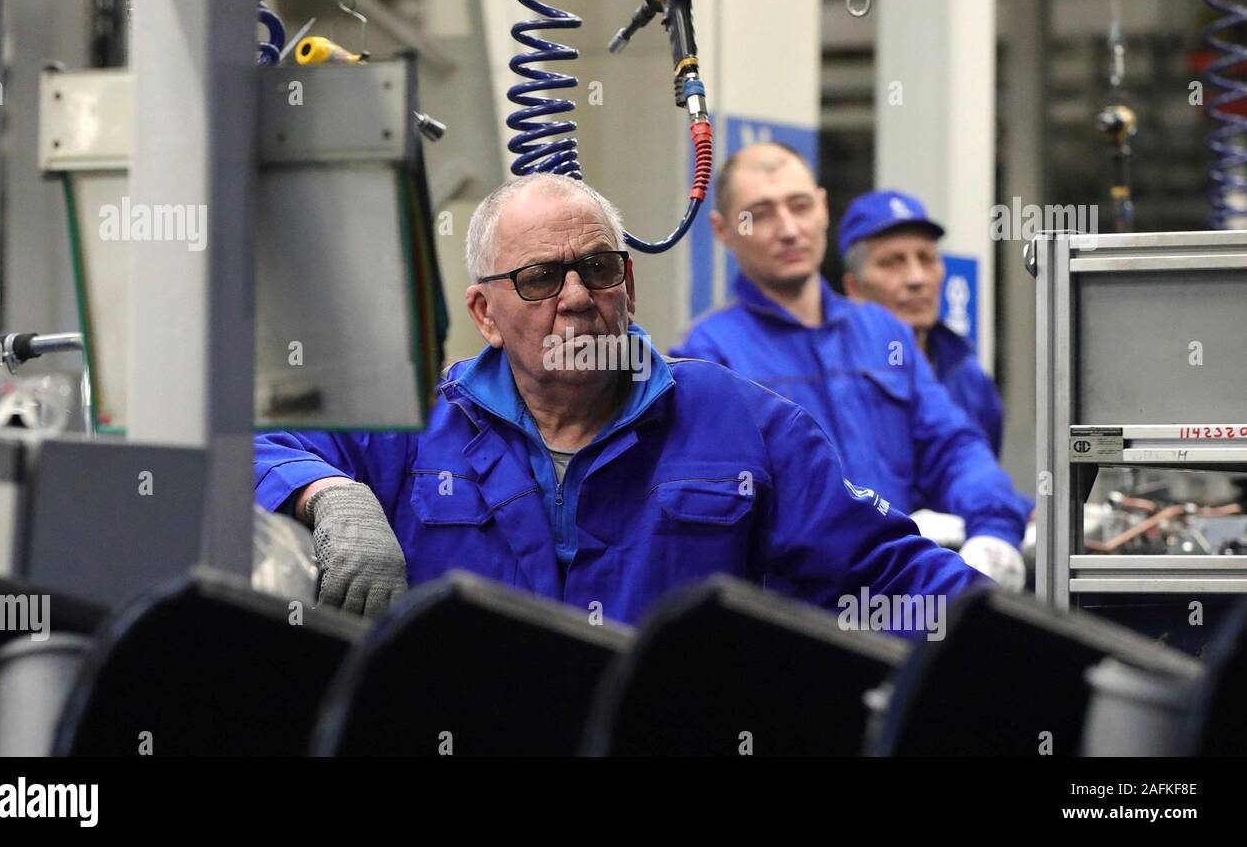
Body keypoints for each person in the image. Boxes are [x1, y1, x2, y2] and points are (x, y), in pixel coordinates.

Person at [253, 172, 990, 625]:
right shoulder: (414, 425)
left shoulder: (741, 422)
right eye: (539, 279)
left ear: (628, 288)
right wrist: (329, 494)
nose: (575, 298)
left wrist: (1028, 645)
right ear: (484, 314)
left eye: (597, 268)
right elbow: (250, 441)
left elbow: (889, 575)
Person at [670, 143, 1027, 589]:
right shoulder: (707, 355)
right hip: (801, 618)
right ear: (722, 230)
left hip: (906, 594)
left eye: (800, 207)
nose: (788, 229)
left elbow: (953, 446)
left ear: (822, 208)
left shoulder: (883, 332)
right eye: (760, 213)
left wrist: (993, 530)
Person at [838, 189, 1004, 455]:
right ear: (854, 287)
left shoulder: (970, 379)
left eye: (926, 259)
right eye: (893, 262)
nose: (917, 279)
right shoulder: (832, 379)